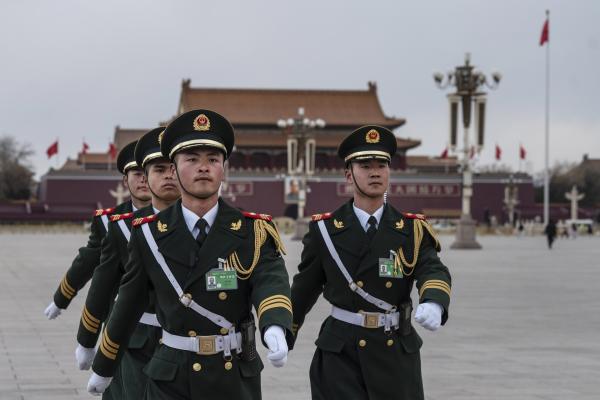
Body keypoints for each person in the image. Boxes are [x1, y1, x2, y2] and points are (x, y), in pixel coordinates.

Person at [86, 109, 293, 399]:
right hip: (172, 374)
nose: (203, 167)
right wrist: (104, 366)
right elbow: (128, 304)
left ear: (224, 169)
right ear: (173, 168)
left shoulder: (252, 230)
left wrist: (274, 324)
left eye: (213, 159)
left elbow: (271, 280)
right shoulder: (148, 233)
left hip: (232, 374)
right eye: (192, 159)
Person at [290, 125, 452, 400]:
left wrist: (434, 299)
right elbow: (304, 288)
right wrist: (282, 330)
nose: (375, 172)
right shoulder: (326, 231)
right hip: (340, 354)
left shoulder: (412, 230)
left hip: (395, 353)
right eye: (365, 165)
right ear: (348, 175)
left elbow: (432, 268)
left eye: (381, 165)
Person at [75, 128, 181, 399]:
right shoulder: (128, 228)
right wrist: (88, 342)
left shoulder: (214, 226)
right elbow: (103, 286)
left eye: (173, 168)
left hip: (190, 346)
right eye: (160, 169)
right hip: (138, 338)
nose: (169, 175)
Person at [44, 141, 151, 320]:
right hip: (125, 321)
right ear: (125, 180)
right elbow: (86, 262)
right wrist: (61, 299)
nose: (144, 179)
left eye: (150, 172)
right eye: (138, 173)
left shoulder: (179, 217)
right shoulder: (107, 221)